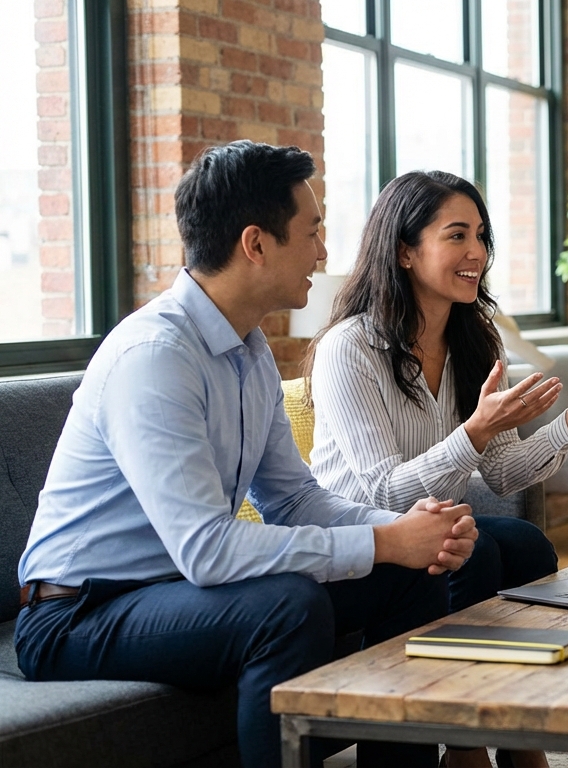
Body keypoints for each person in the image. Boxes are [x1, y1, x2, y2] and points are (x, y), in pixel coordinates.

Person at [14, 141, 477, 768]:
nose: (323, 251)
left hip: (171, 592)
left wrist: (402, 532)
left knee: (409, 572)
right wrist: (384, 541)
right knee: (287, 606)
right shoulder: (155, 357)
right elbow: (207, 550)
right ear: (256, 244)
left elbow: (292, 498)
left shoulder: (248, 349)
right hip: (77, 614)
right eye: (312, 232)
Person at [302, 170, 568, 767]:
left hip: (435, 527)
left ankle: (516, 729)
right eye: (457, 236)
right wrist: (473, 432)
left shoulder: (474, 340)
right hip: (364, 536)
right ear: (404, 249)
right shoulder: (351, 348)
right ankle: (468, 742)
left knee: (521, 543)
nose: (478, 253)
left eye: (482, 235)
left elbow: (503, 474)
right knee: (481, 550)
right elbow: (380, 492)